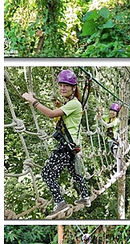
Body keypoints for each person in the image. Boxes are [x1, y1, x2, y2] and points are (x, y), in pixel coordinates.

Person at [21, 69, 90, 215]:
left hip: (66, 146)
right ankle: (85, 197)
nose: (62, 88)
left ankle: (60, 202)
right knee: (76, 173)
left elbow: (51, 114)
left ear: (73, 88)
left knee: (47, 172)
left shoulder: (74, 104)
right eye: (60, 85)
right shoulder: (71, 103)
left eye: (66, 85)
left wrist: (33, 101)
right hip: (72, 145)